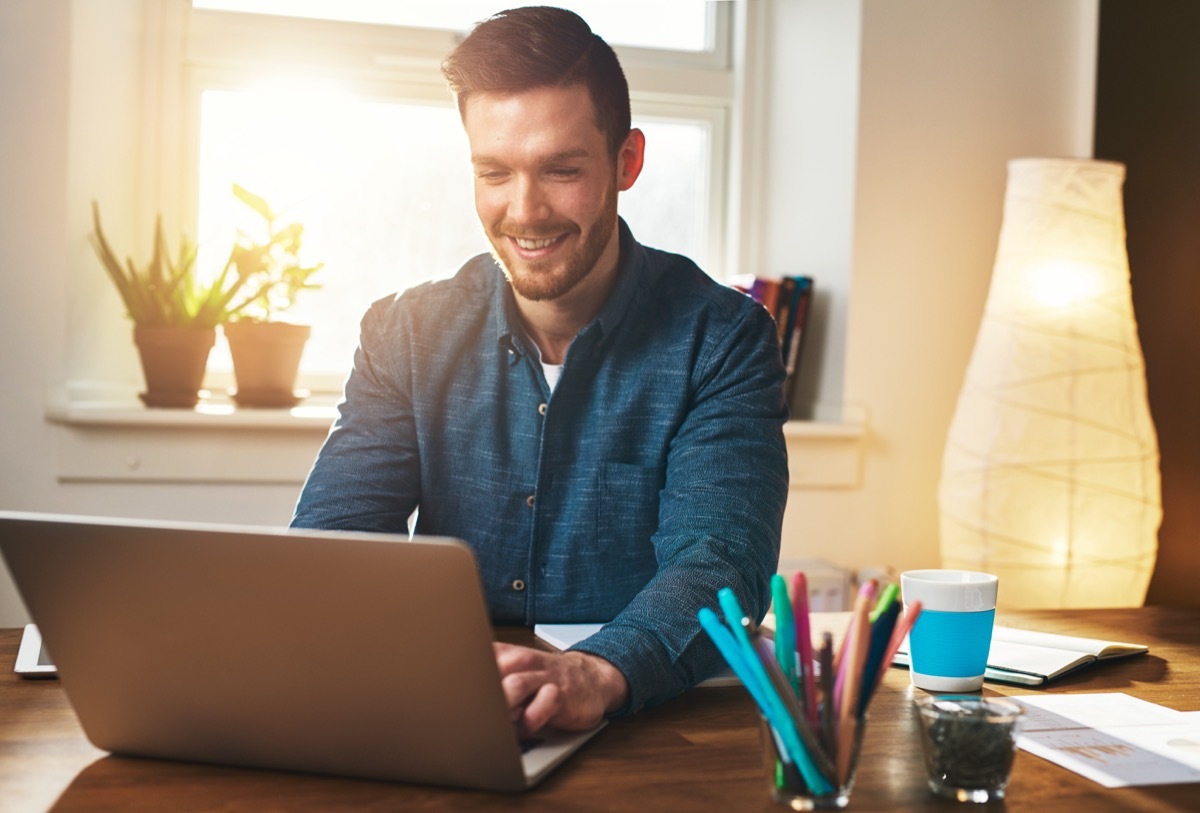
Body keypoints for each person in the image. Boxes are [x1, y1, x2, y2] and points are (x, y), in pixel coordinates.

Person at [291, 6, 789, 738]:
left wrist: (596, 670)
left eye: (561, 170)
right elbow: (337, 544)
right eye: (494, 172)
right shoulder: (403, 334)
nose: (524, 212)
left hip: (645, 722)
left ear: (627, 161)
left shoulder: (724, 340)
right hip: (448, 712)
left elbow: (719, 564)